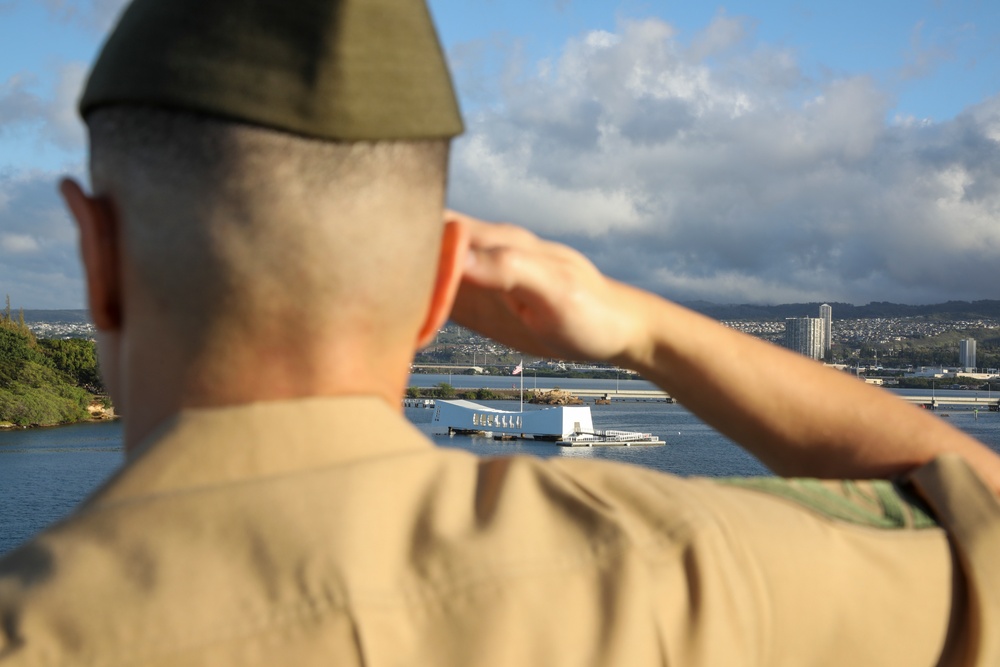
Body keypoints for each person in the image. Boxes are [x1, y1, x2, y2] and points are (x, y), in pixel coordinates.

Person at [1, 0, 998, 664]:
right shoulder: (670, 573)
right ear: (442, 283)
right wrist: (643, 330)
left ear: (95, 256)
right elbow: (975, 517)